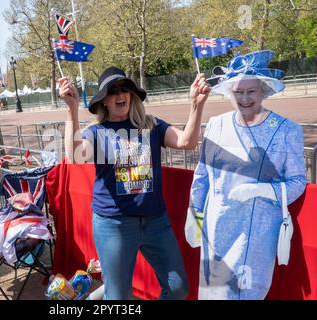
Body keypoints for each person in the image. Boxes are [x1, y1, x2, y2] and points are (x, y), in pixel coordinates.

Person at [59, 66, 211, 300]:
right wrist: (71, 111)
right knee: (118, 297)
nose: (121, 95)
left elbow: (186, 142)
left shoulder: (151, 125)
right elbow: (74, 155)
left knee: (178, 287)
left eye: (125, 89)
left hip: (155, 222)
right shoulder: (97, 132)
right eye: (114, 91)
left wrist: (196, 104)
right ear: (104, 101)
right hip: (114, 225)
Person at [185, 50, 307, 300]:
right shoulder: (217, 124)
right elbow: (203, 175)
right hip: (216, 228)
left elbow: (297, 181)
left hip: (257, 235)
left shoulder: (286, 131)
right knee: (214, 294)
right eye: (238, 91)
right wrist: (195, 210)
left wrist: (264, 190)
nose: (244, 98)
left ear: (263, 90)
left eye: (251, 91)